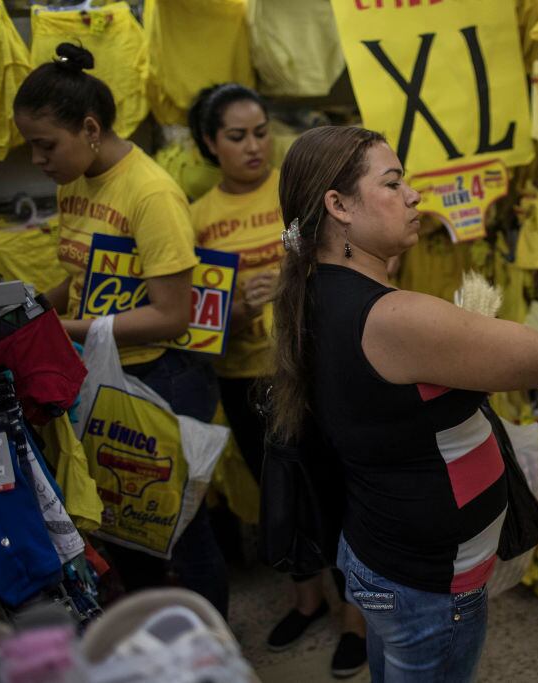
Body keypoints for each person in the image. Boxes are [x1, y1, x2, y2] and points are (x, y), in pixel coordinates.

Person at [268, 125, 538, 681]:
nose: (413, 195)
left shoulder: (318, 290)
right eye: (393, 182)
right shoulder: (394, 318)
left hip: (385, 557)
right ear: (339, 206)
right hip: (424, 584)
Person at [12, 44, 229, 616]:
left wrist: (60, 327)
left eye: (45, 144)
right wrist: (29, 312)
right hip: (104, 376)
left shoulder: (152, 194)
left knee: (177, 526)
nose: (37, 159)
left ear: (88, 129)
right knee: (123, 523)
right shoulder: (75, 180)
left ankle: (214, 655)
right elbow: (81, 275)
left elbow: (171, 314)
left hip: (164, 377)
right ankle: (153, 642)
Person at [186, 83, 368, 675]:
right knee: (281, 494)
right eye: (237, 136)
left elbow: (346, 258)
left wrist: (292, 275)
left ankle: (356, 616)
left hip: (314, 364)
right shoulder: (198, 217)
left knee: (339, 487)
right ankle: (307, 598)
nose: (254, 146)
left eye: (261, 131)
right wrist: (236, 307)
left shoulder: (297, 189)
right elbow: (197, 319)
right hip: (245, 376)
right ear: (211, 144)